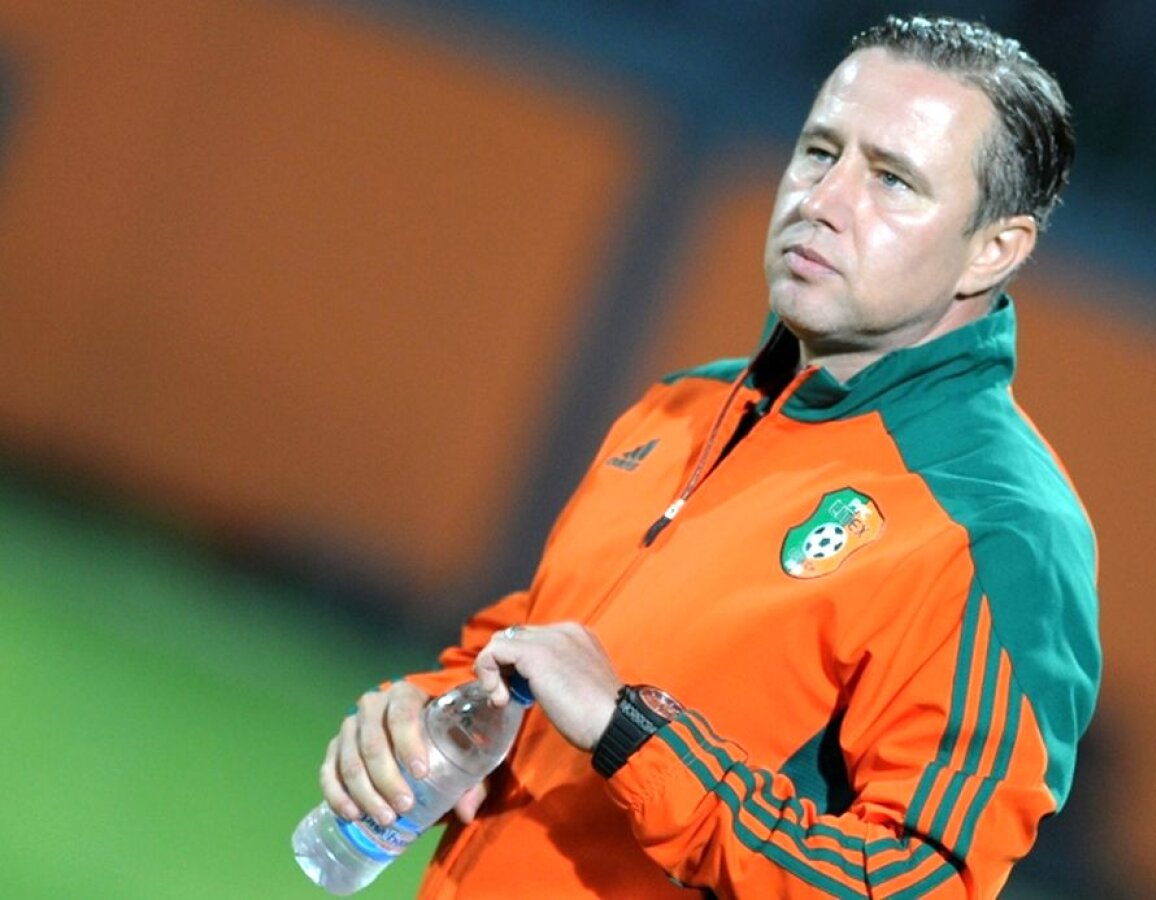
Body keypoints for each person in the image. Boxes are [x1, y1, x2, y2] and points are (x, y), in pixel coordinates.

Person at [316, 14, 1101, 898]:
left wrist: (630, 734)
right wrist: (429, 713)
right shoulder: (684, 406)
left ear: (994, 250)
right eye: (819, 152)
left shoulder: (998, 529)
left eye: (891, 179)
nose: (822, 200)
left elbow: (917, 881)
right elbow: (544, 647)